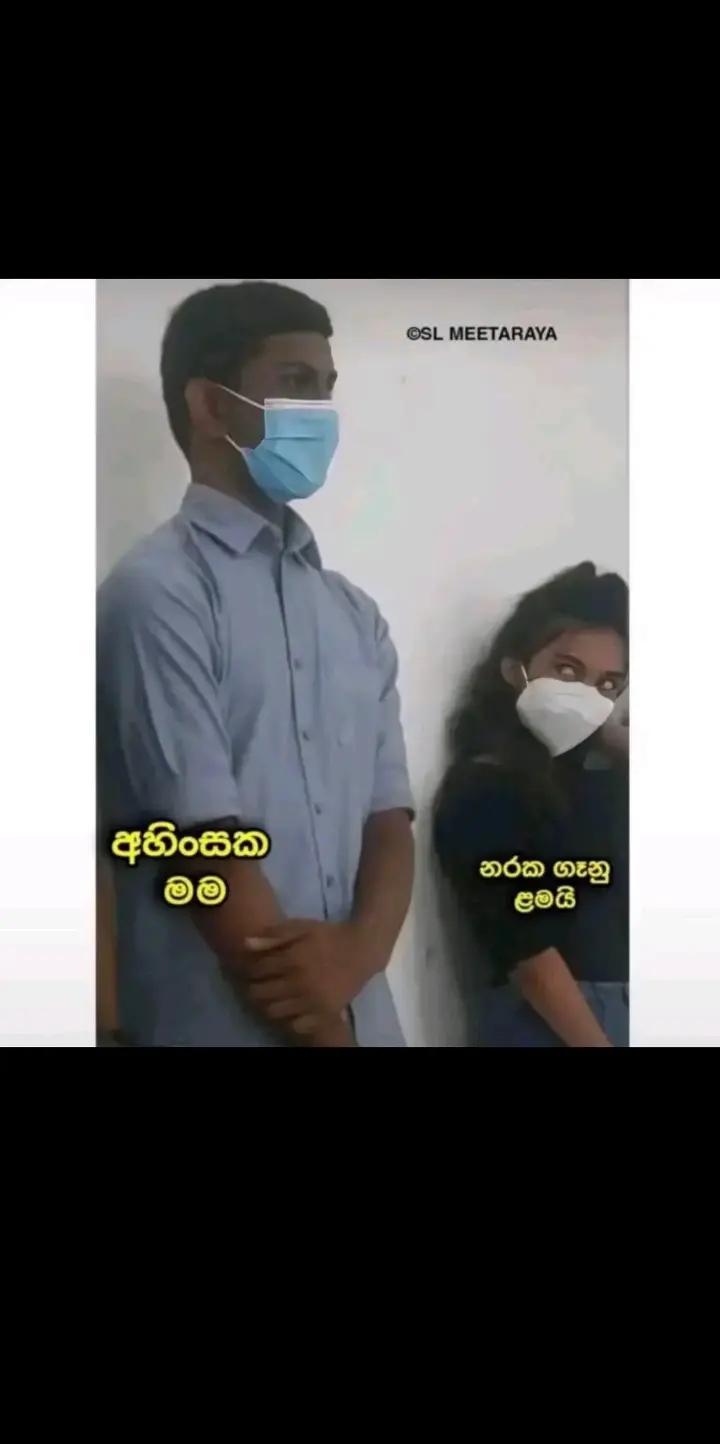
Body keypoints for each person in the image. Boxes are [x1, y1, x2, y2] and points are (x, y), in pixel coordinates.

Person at [97, 281, 414, 1047]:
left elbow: (390, 822)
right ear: (210, 405)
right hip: (218, 1022)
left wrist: (358, 957)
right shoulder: (158, 593)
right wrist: (328, 1029)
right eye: (295, 382)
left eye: (327, 387)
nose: (321, 412)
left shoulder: (355, 615)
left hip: (367, 1018)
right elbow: (203, 844)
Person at [433, 562, 628, 1047]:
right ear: (513, 669)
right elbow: (532, 958)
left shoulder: (594, 782)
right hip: (559, 1025)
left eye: (607, 684)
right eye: (567, 671)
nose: (584, 696)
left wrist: (615, 743)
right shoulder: (485, 789)